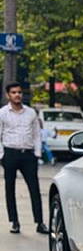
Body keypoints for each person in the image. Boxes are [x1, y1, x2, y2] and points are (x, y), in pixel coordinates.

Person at [0, 82, 48, 234]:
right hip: (10, 153)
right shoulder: (2, 113)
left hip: (28, 155)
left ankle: (40, 222)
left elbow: (36, 135)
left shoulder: (31, 112)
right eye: (13, 92)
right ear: (8, 95)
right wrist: (2, 155)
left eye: (19, 92)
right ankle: (14, 221)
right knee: (10, 189)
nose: (17, 95)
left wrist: (37, 154)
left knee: (34, 189)